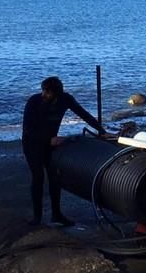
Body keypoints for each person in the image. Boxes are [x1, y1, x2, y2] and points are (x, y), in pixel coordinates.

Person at [22, 77, 106, 226]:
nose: (43, 94)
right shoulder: (34, 102)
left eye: (47, 92)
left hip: (51, 144)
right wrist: (48, 140)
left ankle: (56, 214)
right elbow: (28, 129)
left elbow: (83, 114)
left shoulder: (65, 99)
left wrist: (101, 130)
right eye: (43, 90)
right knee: (38, 178)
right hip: (32, 144)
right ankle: (37, 217)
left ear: (56, 93)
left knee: (54, 178)